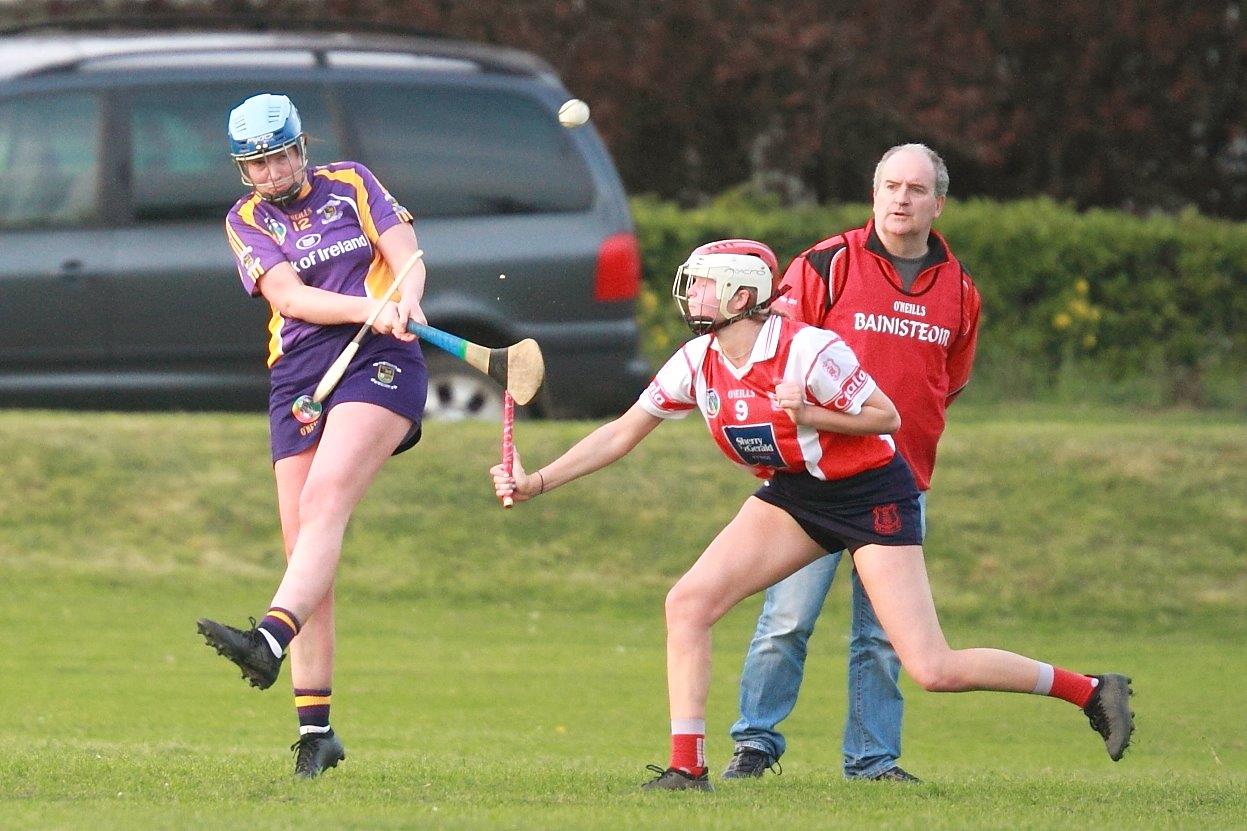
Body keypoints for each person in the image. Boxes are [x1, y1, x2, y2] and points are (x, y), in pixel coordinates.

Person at [491, 244, 1133, 791]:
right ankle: (688, 769)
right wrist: (536, 481)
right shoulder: (699, 360)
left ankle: (1091, 690)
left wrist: (809, 414)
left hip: (872, 495)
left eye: (705, 285)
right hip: (796, 496)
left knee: (933, 668)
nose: (691, 295)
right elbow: (621, 434)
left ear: (744, 293)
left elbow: (886, 418)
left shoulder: (811, 353)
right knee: (687, 603)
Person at [725, 143, 980, 782]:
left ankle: (872, 761)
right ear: (874, 194)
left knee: (883, 638)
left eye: (916, 189)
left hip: (896, 483)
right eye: (891, 186)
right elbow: (771, 353)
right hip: (814, 480)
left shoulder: (960, 289)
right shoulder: (826, 264)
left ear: (938, 203)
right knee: (786, 621)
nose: (901, 198)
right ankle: (754, 746)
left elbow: (947, 382)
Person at [197, 93, 429, 778]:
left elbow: (406, 255)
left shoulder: (352, 182)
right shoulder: (244, 220)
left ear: (302, 148)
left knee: (326, 499)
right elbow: (291, 298)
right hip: (299, 369)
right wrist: (369, 306)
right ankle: (317, 732)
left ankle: (266, 638)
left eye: (278, 156)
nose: (269, 172)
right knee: (306, 551)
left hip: (380, 359)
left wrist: (404, 301)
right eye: (255, 164)